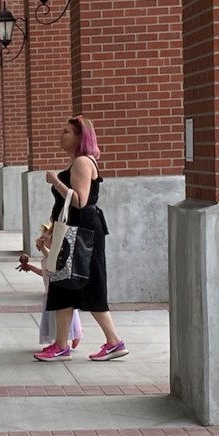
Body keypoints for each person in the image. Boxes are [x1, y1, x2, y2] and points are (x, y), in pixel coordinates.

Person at [34, 115, 129, 362]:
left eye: (66, 131)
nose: (60, 135)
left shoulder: (83, 163)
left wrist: (56, 181)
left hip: (84, 233)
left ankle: (114, 341)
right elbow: (64, 208)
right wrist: (50, 231)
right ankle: (61, 344)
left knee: (89, 285)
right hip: (72, 232)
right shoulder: (77, 163)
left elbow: (79, 201)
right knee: (62, 285)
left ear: (79, 137)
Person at [18, 222, 83, 352]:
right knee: (53, 319)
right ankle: (59, 341)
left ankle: (74, 336)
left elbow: (53, 258)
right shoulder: (48, 257)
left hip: (58, 291)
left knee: (66, 316)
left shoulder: (56, 255)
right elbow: (45, 274)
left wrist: (42, 248)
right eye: (42, 237)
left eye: (46, 238)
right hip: (49, 292)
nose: (42, 240)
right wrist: (30, 267)